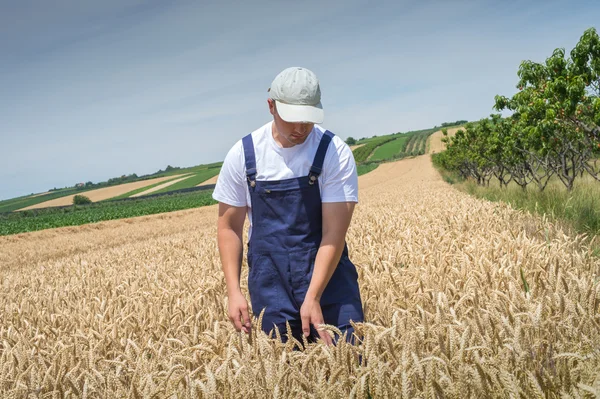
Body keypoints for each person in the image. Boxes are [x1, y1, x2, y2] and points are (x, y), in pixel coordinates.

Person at [213, 66, 363, 345]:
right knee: (286, 374)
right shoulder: (243, 155)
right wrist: (233, 291)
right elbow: (229, 228)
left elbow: (334, 233)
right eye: (292, 119)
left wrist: (314, 295)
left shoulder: (334, 151)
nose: (300, 128)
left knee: (351, 361)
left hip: (330, 281)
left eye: (307, 119)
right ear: (271, 106)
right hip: (271, 286)